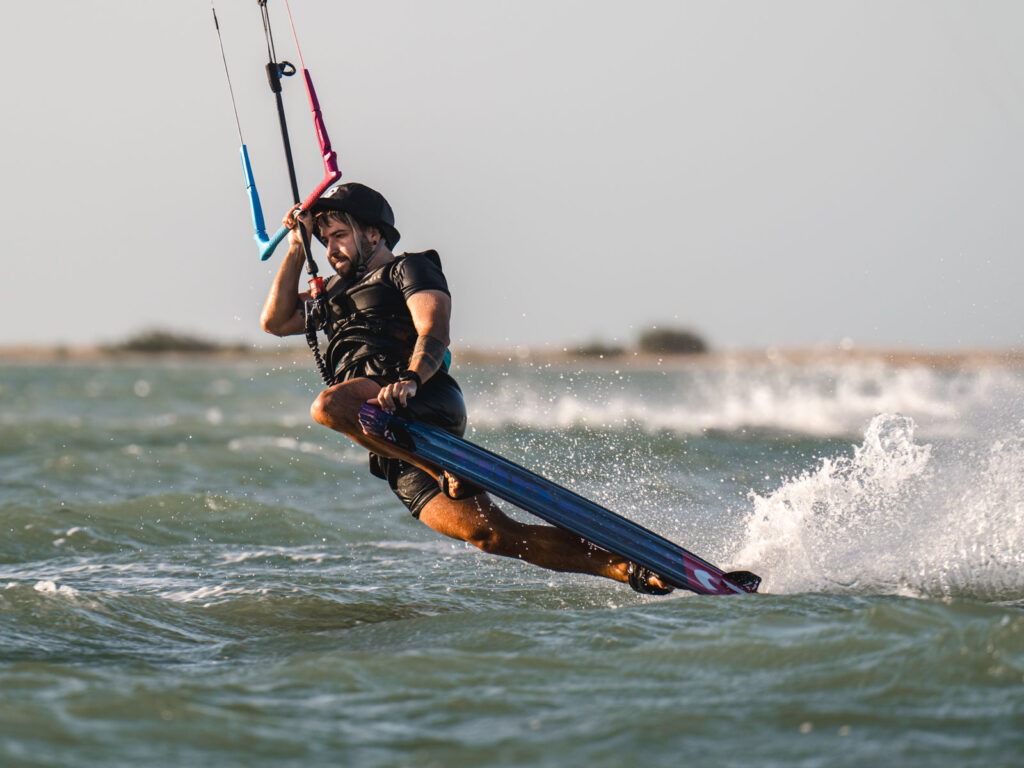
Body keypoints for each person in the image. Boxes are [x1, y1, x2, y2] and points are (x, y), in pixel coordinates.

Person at [260, 182, 671, 595]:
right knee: (492, 536)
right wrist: (297, 247)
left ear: (373, 233)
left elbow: (434, 331)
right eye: (324, 239)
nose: (331, 249)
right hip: (388, 442)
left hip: (416, 399)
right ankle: (629, 569)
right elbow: (275, 322)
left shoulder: (409, 268)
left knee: (328, 406)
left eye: (340, 235)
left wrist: (411, 378)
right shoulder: (330, 293)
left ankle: (443, 470)